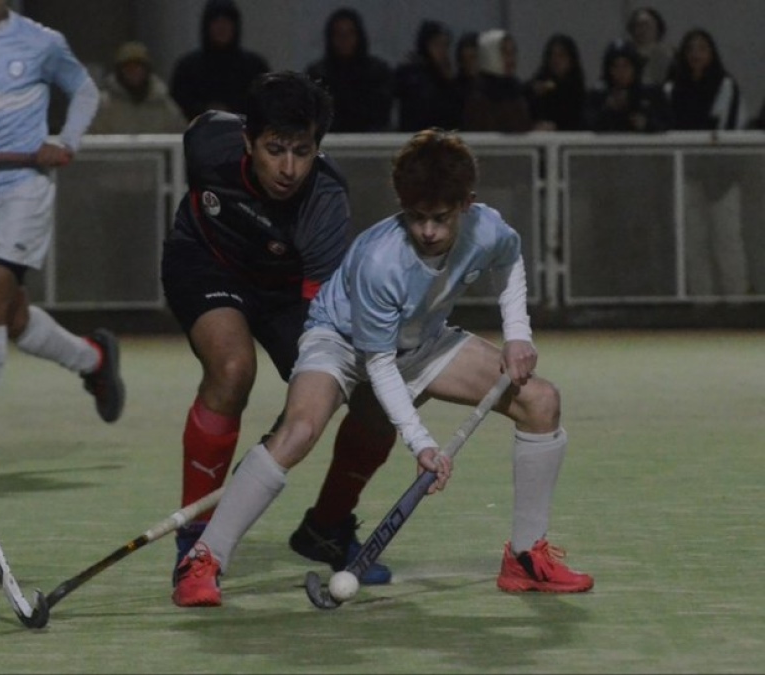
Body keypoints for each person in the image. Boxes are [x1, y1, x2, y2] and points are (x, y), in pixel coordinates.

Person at [172, 127, 594, 607]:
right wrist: (423, 444)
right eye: (416, 218)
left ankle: (524, 559)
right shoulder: (381, 261)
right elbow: (380, 367)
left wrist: (517, 334)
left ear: (466, 204)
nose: (428, 232)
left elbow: (511, 261)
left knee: (542, 402)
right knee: (298, 432)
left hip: (422, 340)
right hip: (343, 343)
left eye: (440, 218)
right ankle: (204, 560)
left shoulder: (486, 227)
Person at [160, 70, 395, 594]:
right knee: (233, 367)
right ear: (247, 140)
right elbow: (199, 122)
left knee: (373, 399)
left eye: (303, 151)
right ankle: (196, 539)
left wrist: (278, 439)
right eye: (274, 149)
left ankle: (326, 528)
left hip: (290, 292)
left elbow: (322, 328)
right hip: (205, 262)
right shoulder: (209, 143)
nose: (289, 168)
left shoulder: (325, 202)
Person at [0, 0, 125, 471]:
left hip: (23, 190)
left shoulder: (42, 40)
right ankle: (93, 358)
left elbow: (85, 91)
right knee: (9, 318)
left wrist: (64, 141)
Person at [664, 28, 749, 295]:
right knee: (693, 242)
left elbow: (730, 130)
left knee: (727, 239)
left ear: (712, 53)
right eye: (690, 49)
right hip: (686, 175)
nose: (696, 54)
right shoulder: (671, 89)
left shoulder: (726, 86)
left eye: (702, 48)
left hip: (722, 178)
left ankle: (737, 303)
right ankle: (703, 302)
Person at [169, 0, 270, 122]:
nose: (221, 28)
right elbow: (178, 106)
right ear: (207, 26)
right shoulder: (187, 68)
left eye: (227, 22)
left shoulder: (254, 67)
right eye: (216, 22)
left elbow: (264, 104)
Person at [305, 7, 393, 133]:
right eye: (338, 34)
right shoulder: (317, 74)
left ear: (359, 36)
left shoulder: (378, 72)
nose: (344, 39)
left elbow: (380, 114)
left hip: (371, 141)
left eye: (350, 33)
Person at [88, 41, 188, 135]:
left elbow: (180, 138)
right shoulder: (103, 105)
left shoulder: (163, 105)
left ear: (147, 70)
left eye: (138, 67)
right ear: (119, 72)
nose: (134, 72)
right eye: (128, 68)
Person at [585, 39, 670, 132]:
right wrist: (607, 110)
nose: (621, 72)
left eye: (626, 65)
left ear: (635, 67)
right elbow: (586, 126)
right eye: (615, 66)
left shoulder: (652, 93)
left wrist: (647, 124)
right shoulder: (598, 95)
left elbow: (668, 123)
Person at [394, 20, 465, 132]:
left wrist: (450, 83)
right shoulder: (410, 73)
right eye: (437, 44)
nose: (441, 51)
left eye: (445, 45)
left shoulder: (447, 75)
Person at [462, 30, 532, 132]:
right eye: (504, 52)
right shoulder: (477, 94)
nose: (511, 59)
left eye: (513, 52)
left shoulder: (516, 89)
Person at [525, 33, 587, 131]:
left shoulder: (576, 90)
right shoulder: (538, 85)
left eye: (561, 55)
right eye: (552, 55)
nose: (556, 60)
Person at [625, 6, 674, 87]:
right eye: (638, 25)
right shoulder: (626, 56)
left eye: (646, 25)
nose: (643, 29)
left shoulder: (669, 56)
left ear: (657, 27)